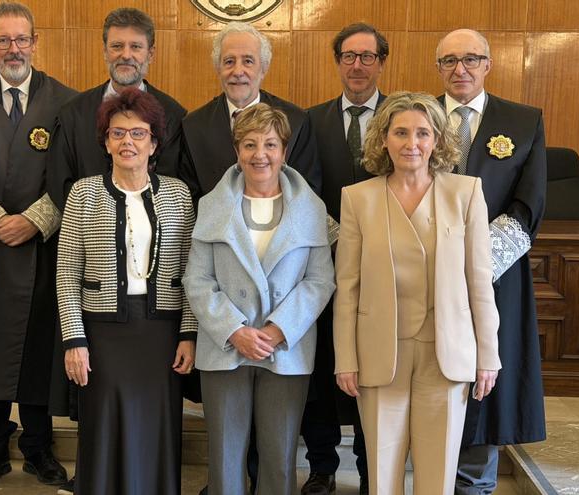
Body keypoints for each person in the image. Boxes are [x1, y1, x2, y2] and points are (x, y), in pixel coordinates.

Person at [333, 91, 501, 494]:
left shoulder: (466, 193)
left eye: (423, 133)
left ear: (438, 140)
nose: (412, 143)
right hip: (379, 352)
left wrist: (488, 355)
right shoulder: (358, 198)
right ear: (383, 139)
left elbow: (480, 280)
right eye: (401, 132)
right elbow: (348, 288)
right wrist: (345, 357)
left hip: (446, 351)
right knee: (382, 467)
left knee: (438, 471)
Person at [0, 1, 76, 489]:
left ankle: (40, 448)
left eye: (21, 38)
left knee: (39, 350)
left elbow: (74, 175)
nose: (13, 48)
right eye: (2, 40)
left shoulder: (66, 102)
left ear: (35, 41)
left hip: (45, 248)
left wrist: (35, 220)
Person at [184, 103, 335, 495]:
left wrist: (275, 330)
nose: (260, 154)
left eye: (270, 144)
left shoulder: (312, 208)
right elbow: (197, 280)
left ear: (284, 151)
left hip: (286, 348)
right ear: (237, 151)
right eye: (249, 144)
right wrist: (235, 330)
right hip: (225, 346)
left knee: (280, 455)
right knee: (224, 455)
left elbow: (319, 280)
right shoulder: (211, 206)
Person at [55, 88, 197, 495]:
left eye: (138, 133)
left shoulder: (178, 194)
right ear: (105, 140)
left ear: (154, 142)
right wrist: (74, 340)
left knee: (156, 428)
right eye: (118, 133)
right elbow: (66, 272)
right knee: (103, 427)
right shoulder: (83, 193)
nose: (127, 142)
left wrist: (188, 334)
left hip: (160, 334)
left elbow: (191, 270)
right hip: (102, 334)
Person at [433, 29, 548, 494]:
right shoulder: (413, 115)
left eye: (470, 59)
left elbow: (528, 204)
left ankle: (474, 482)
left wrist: (474, 263)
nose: (460, 69)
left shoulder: (522, 121)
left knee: (484, 375)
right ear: (437, 67)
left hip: (495, 276)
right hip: (425, 271)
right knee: (433, 372)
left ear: (488, 64)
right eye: (449, 61)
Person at [303, 22, 390, 495]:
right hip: (321, 261)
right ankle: (321, 466)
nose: (357, 65)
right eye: (348, 56)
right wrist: (341, 241)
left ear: (381, 62)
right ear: (337, 62)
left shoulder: (401, 117)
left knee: (372, 370)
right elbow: (304, 190)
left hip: (384, 269)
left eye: (367, 56)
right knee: (322, 369)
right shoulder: (308, 121)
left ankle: (371, 465)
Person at [47, 7, 186, 211]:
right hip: (90, 233)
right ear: (105, 51)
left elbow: (172, 186)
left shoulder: (173, 115)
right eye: (117, 46)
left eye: (136, 47)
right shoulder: (72, 114)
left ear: (151, 53)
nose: (126, 55)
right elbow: (59, 184)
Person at [180, 21, 321, 200]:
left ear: (263, 69)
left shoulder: (297, 122)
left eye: (248, 61)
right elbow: (189, 200)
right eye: (229, 62)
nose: (238, 71)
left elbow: (308, 193)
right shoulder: (193, 127)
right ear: (218, 69)